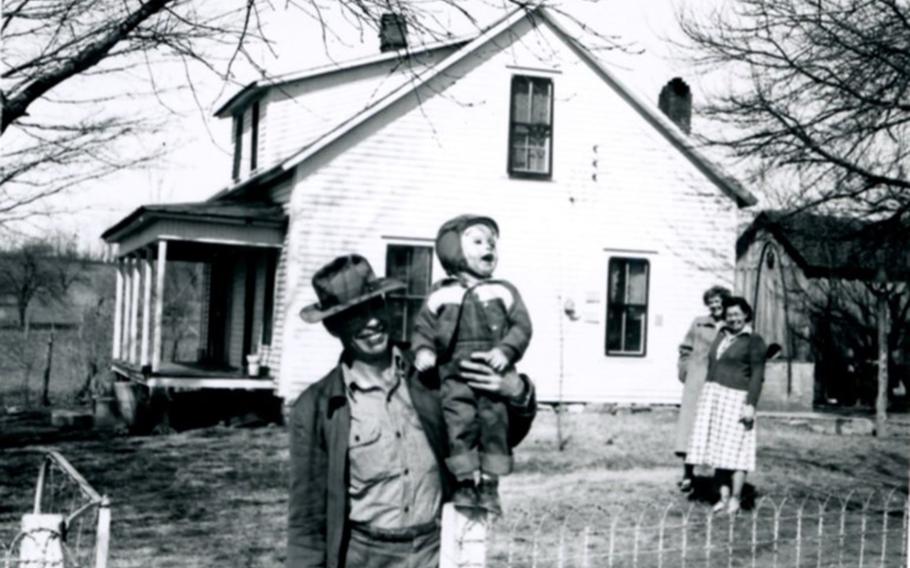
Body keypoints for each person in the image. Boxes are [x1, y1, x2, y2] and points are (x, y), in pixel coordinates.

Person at [288, 254, 537, 568]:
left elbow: (497, 434)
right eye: (355, 315)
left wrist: (516, 392)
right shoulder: (318, 407)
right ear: (333, 326)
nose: (372, 322)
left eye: (376, 305)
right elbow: (306, 515)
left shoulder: (431, 375)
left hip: (439, 549)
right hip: (365, 556)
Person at [411, 214, 532, 514]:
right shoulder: (441, 294)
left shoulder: (504, 290)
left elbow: (522, 326)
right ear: (454, 251)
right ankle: (465, 483)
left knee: (495, 426)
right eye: (477, 242)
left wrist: (506, 350)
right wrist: (424, 350)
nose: (488, 247)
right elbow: (423, 328)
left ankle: (490, 486)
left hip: (494, 378)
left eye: (491, 242)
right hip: (454, 378)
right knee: (459, 425)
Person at [686, 296, 767, 515]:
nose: (733, 319)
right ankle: (721, 497)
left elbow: (758, 375)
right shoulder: (721, 335)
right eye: (729, 314)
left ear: (746, 315)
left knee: (738, 452)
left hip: (737, 398)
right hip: (714, 397)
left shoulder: (754, 340)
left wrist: (750, 404)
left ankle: (736, 499)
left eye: (737, 314)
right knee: (719, 451)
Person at [675, 285, 731, 492]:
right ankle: (688, 474)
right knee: (691, 426)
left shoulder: (732, 325)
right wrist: (686, 371)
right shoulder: (698, 323)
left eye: (718, 301)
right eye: (711, 302)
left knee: (718, 427)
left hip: (721, 381)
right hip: (697, 381)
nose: (714, 305)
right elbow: (685, 348)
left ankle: (719, 477)